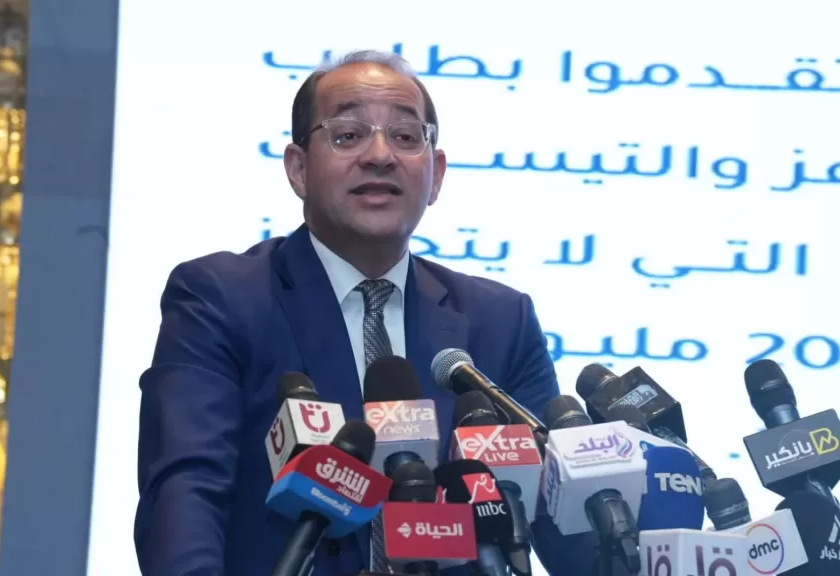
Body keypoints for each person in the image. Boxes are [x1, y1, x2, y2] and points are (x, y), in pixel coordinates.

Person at [135, 50, 596, 575]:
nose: (380, 155)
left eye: (405, 136)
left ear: (436, 175)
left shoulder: (500, 321)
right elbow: (185, 490)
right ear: (299, 169)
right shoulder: (222, 297)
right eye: (348, 135)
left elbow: (564, 525)